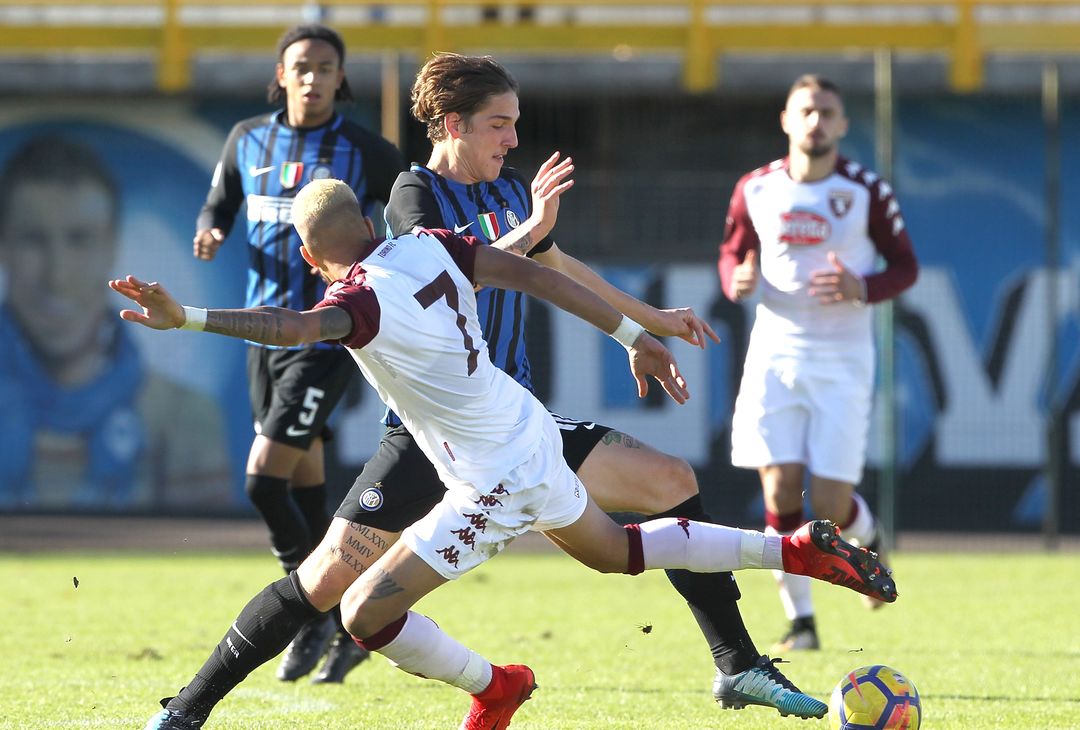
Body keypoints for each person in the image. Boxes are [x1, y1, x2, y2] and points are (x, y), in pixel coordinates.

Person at [134, 53, 832, 730]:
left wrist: (645, 323)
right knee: (323, 583)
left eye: (515, 122)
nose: (513, 138)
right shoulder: (412, 196)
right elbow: (438, 271)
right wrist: (534, 232)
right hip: (431, 438)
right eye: (500, 123)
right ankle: (189, 705)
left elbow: (553, 268)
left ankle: (737, 664)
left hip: (516, 423)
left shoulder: (510, 188)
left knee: (669, 481)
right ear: (453, 125)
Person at [193, 23, 405, 683]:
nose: (313, 78)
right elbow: (218, 205)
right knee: (303, 476)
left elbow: (408, 224)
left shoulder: (368, 151)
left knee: (263, 479)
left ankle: (312, 611)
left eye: (326, 67)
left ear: (341, 78)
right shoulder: (246, 139)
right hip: (261, 332)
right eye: (302, 66)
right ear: (281, 75)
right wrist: (211, 231)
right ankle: (345, 617)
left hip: (324, 330)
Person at [718, 74, 919, 653]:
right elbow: (732, 252)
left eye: (827, 112)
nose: (816, 122)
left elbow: (905, 266)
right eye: (806, 111)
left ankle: (869, 537)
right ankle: (802, 623)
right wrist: (736, 280)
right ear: (786, 119)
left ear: (842, 124)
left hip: (842, 357)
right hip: (775, 351)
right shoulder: (755, 187)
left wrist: (864, 286)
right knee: (780, 491)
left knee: (829, 505)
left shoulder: (865, 190)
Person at [0, 134, 230, 510]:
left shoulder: (183, 417)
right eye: (34, 240)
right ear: (3, 247)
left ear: (111, 247)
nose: (57, 276)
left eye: (79, 241)